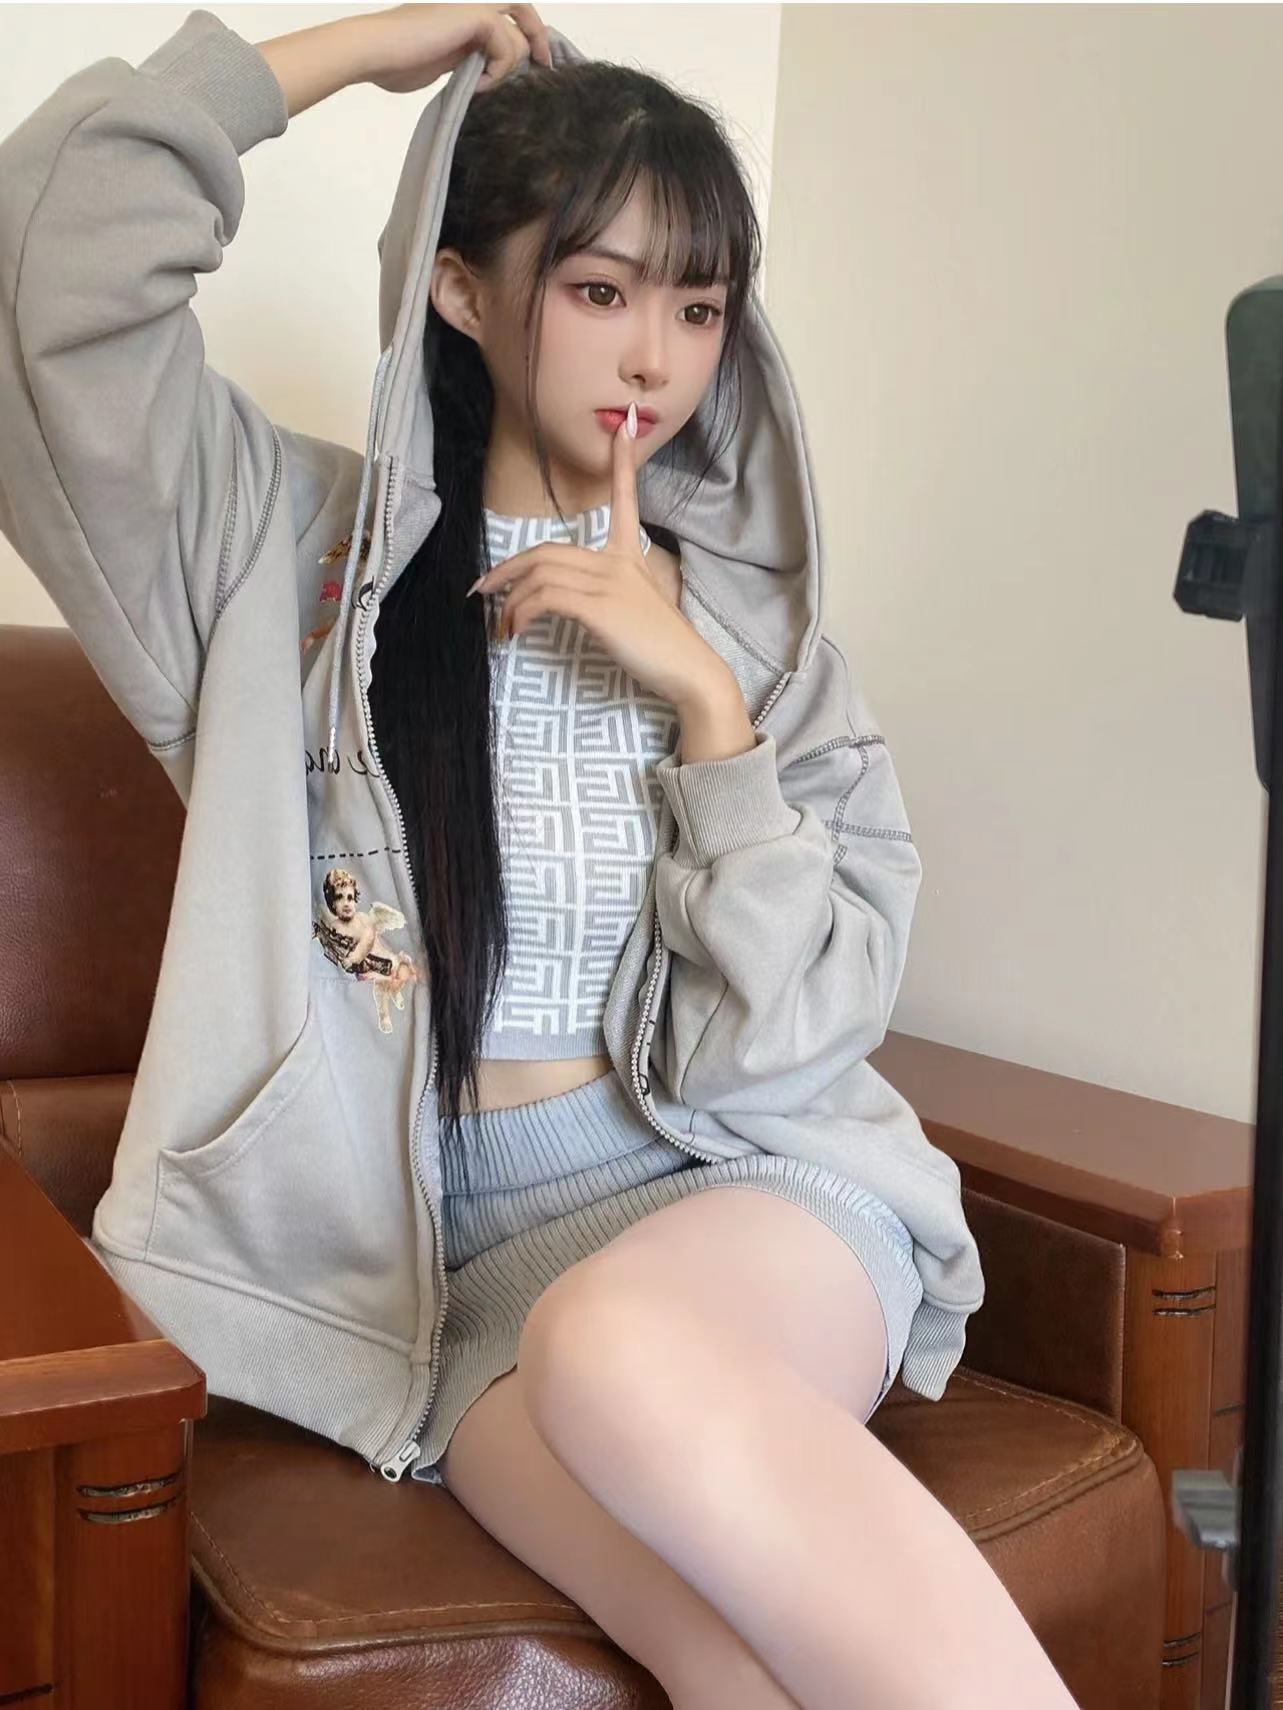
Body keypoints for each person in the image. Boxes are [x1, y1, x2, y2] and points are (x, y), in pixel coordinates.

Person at [0, 7, 1075, 1706]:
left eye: (698, 308)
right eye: (598, 290)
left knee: (617, 1340)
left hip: (754, 1194)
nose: (655, 356)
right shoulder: (284, 564)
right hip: (464, 1288)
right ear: (461, 290)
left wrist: (708, 713)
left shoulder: (763, 651)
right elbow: (45, 266)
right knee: (735, 1669)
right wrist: (370, 49)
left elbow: (795, 1043)